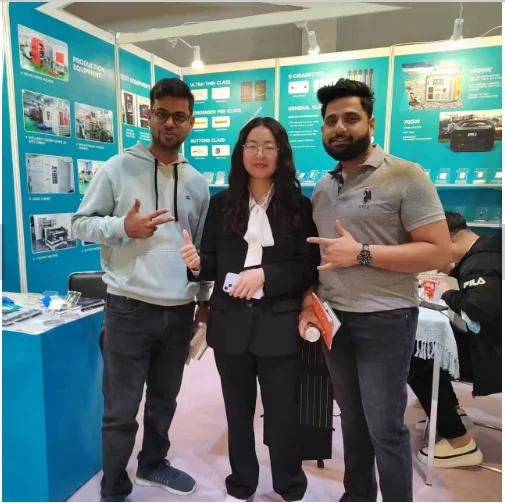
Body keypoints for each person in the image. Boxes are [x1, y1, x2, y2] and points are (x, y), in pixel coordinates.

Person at [298, 79, 452, 502]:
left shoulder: (405, 175)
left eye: (350, 118)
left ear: (370, 123)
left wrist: (362, 253)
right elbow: (323, 257)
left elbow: (439, 252)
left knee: (384, 425)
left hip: (386, 317)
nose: (339, 127)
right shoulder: (323, 187)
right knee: (351, 419)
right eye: (331, 120)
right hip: (335, 320)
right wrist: (310, 299)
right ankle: (357, 496)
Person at [72, 78, 211, 502]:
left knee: (164, 401)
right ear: (149, 115)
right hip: (128, 309)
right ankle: (113, 487)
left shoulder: (197, 182)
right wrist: (122, 227)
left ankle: (153, 463)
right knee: (120, 408)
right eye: (162, 114)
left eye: (179, 117)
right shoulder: (117, 168)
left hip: (179, 311)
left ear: (191, 122)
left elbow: (202, 252)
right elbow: (80, 224)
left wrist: (202, 306)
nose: (170, 123)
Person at [180, 117, 319, 502]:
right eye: (252, 145)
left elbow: (308, 267)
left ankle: (289, 486)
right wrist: (196, 264)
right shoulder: (222, 203)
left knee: (283, 414)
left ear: (281, 153)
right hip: (230, 325)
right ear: (240, 152)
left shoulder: (298, 206)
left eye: (269, 146)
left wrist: (265, 276)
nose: (260, 154)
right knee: (237, 413)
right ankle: (242, 484)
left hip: (279, 323)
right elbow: (211, 262)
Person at [408, 210, 501, 468]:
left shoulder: (481, 262)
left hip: (492, 354)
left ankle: (459, 442)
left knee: (418, 356)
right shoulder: (487, 251)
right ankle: (451, 410)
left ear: (446, 239)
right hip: (490, 344)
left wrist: (448, 293)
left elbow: (479, 309)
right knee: (429, 347)